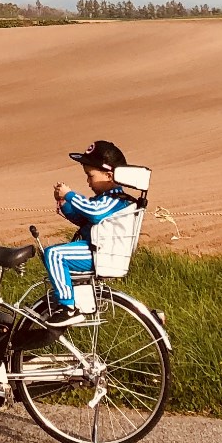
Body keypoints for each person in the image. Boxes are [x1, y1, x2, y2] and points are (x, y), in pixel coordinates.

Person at [41, 139, 138, 324]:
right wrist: (65, 205)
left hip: (102, 254)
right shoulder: (106, 199)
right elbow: (84, 219)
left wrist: (69, 194)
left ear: (109, 175)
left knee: (54, 254)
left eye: (90, 176)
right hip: (98, 250)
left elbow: (94, 213)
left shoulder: (114, 200)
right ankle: (65, 301)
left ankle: (68, 308)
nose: (87, 182)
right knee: (54, 255)